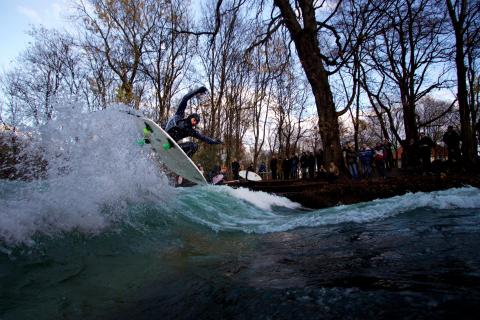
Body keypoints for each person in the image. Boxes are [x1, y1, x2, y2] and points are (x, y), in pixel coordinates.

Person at [164, 86, 222, 157]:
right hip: (163, 134)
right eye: (194, 120)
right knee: (164, 123)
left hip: (169, 145)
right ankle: (147, 137)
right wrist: (197, 91)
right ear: (191, 117)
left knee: (194, 146)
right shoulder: (179, 115)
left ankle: (182, 161)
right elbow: (185, 99)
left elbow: (203, 138)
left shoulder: (190, 131)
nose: (194, 123)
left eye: (196, 122)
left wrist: (214, 141)